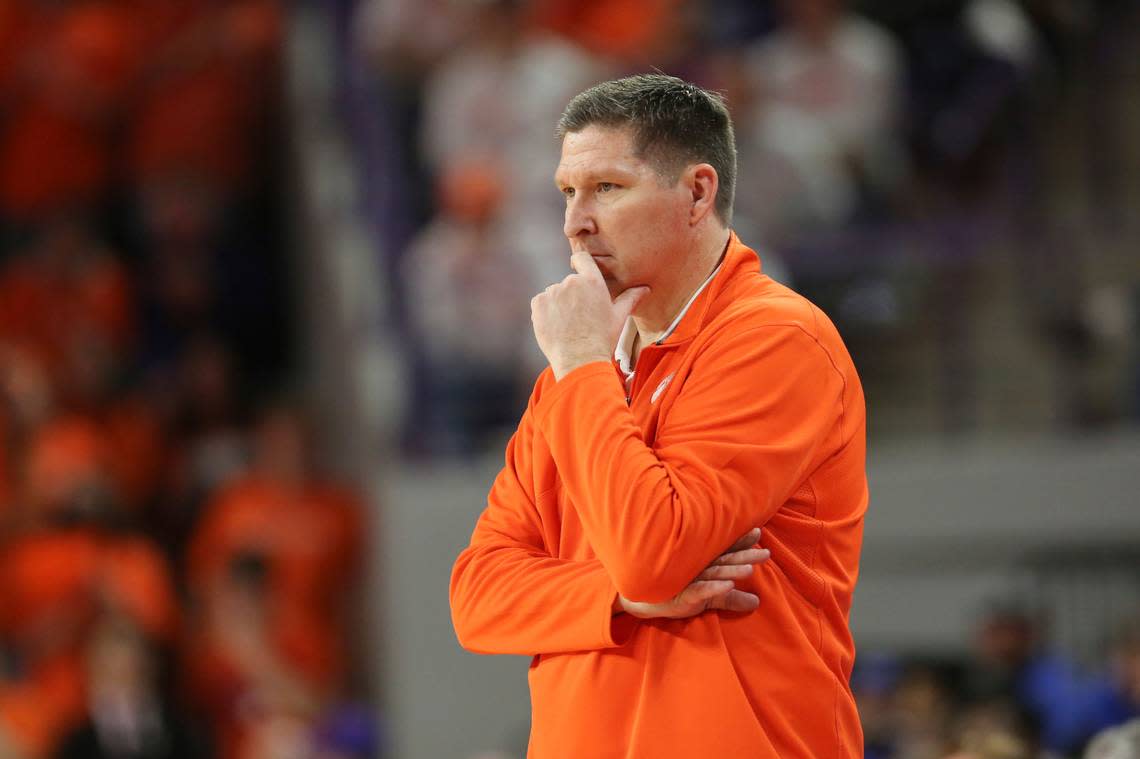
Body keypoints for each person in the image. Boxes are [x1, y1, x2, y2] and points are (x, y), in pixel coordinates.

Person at [449, 74, 868, 757]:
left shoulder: (776, 339)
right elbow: (477, 595)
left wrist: (582, 366)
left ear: (698, 193)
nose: (575, 223)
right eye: (566, 192)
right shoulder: (573, 376)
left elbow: (652, 552)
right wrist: (616, 598)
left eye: (607, 188)